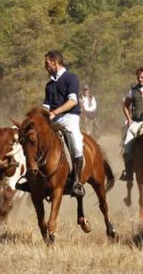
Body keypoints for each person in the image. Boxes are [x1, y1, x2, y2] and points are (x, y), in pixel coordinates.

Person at [42, 50, 85, 197]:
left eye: (47, 63)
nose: (45, 66)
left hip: (69, 117)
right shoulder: (49, 85)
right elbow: (46, 107)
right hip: (53, 119)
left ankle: (77, 182)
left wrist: (55, 112)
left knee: (76, 144)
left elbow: (72, 101)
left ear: (55, 62)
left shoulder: (70, 78)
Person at [120, 68, 143, 182]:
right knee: (127, 150)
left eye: (142, 77)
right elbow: (125, 106)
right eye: (138, 77)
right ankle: (128, 173)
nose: (140, 79)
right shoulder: (132, 90)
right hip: (136, 123)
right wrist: (129, 119)